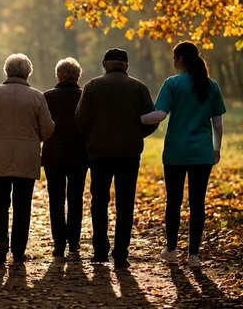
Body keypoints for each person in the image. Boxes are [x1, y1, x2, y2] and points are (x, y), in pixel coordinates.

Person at [140, 42, 226, 269]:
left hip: (176, 152)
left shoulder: (172, 83)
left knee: (174, 201)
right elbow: (217, 123)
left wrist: (136, 118)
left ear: (179, 58)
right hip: (202, 153)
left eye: (174, 58)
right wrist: (216, 148)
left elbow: (159, 115)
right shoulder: (211, 85)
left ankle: (171, 250)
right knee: (198, 203)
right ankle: (194, 255)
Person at [74, 48, 157, 268]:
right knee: (125, 203)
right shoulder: (139, 87)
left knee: (99, 202)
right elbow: (152, 119)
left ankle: (100, 251)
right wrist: (137, 134)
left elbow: (80, 118)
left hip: (99, 152)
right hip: (129, 153)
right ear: (126, 66)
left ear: (105, 64)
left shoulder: (92, 86)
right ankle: (121, 254)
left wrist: (93, 135)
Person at [0, 54, 55, 265]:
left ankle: (1, 243)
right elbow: (46, 130)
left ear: (7, 71)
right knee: (22, 205)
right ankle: (18, 250)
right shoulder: (37, 97)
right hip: (26, 158)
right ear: (28, 72)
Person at [42, 58, 89, 257]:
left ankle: (59, 243)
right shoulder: (85, 97)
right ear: (78, 76)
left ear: (58, 76)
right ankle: (74, 242)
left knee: (56, 199)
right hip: (80, 155)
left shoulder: (47, 97)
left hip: (53, 155)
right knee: (75, 198)